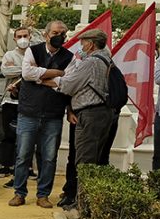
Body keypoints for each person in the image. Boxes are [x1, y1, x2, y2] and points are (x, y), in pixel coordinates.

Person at [45, 28, 114, 207]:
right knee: (93, 158)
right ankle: (88, 202)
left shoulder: (90, 62)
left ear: (91, 43)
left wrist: (48, 80)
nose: (81, 46)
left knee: (84, 160)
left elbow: (68, 85)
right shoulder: (106, 58)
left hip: (90, 113)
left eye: (83, 42)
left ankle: (83, 204)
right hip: (101, 113)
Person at [9, 20, 72, 208]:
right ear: (46, 34)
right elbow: (27, 73)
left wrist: (41, 77)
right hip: (29, 112)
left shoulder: (70, 57)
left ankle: (43, 194)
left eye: (62, 33)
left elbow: (67, 81)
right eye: (55, 32)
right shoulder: (33, 50)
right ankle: (19, 193)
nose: (59, 36)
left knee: (49, 157)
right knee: (22, 155)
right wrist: (55, 74)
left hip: (53, 114)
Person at [0, 26, 32, 179]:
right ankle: (5, 166)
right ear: (15, 39)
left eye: (25, 35)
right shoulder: (9, 55)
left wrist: (22, 69)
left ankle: (27, 167)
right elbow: (6, 72)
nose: (23, 39)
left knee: (28, 136)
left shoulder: (35, 54)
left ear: (30, 37)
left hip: (30, 101)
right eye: (19, 36)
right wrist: (28, 69)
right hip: (10, 100)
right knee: (8, 134)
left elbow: (39, 71)